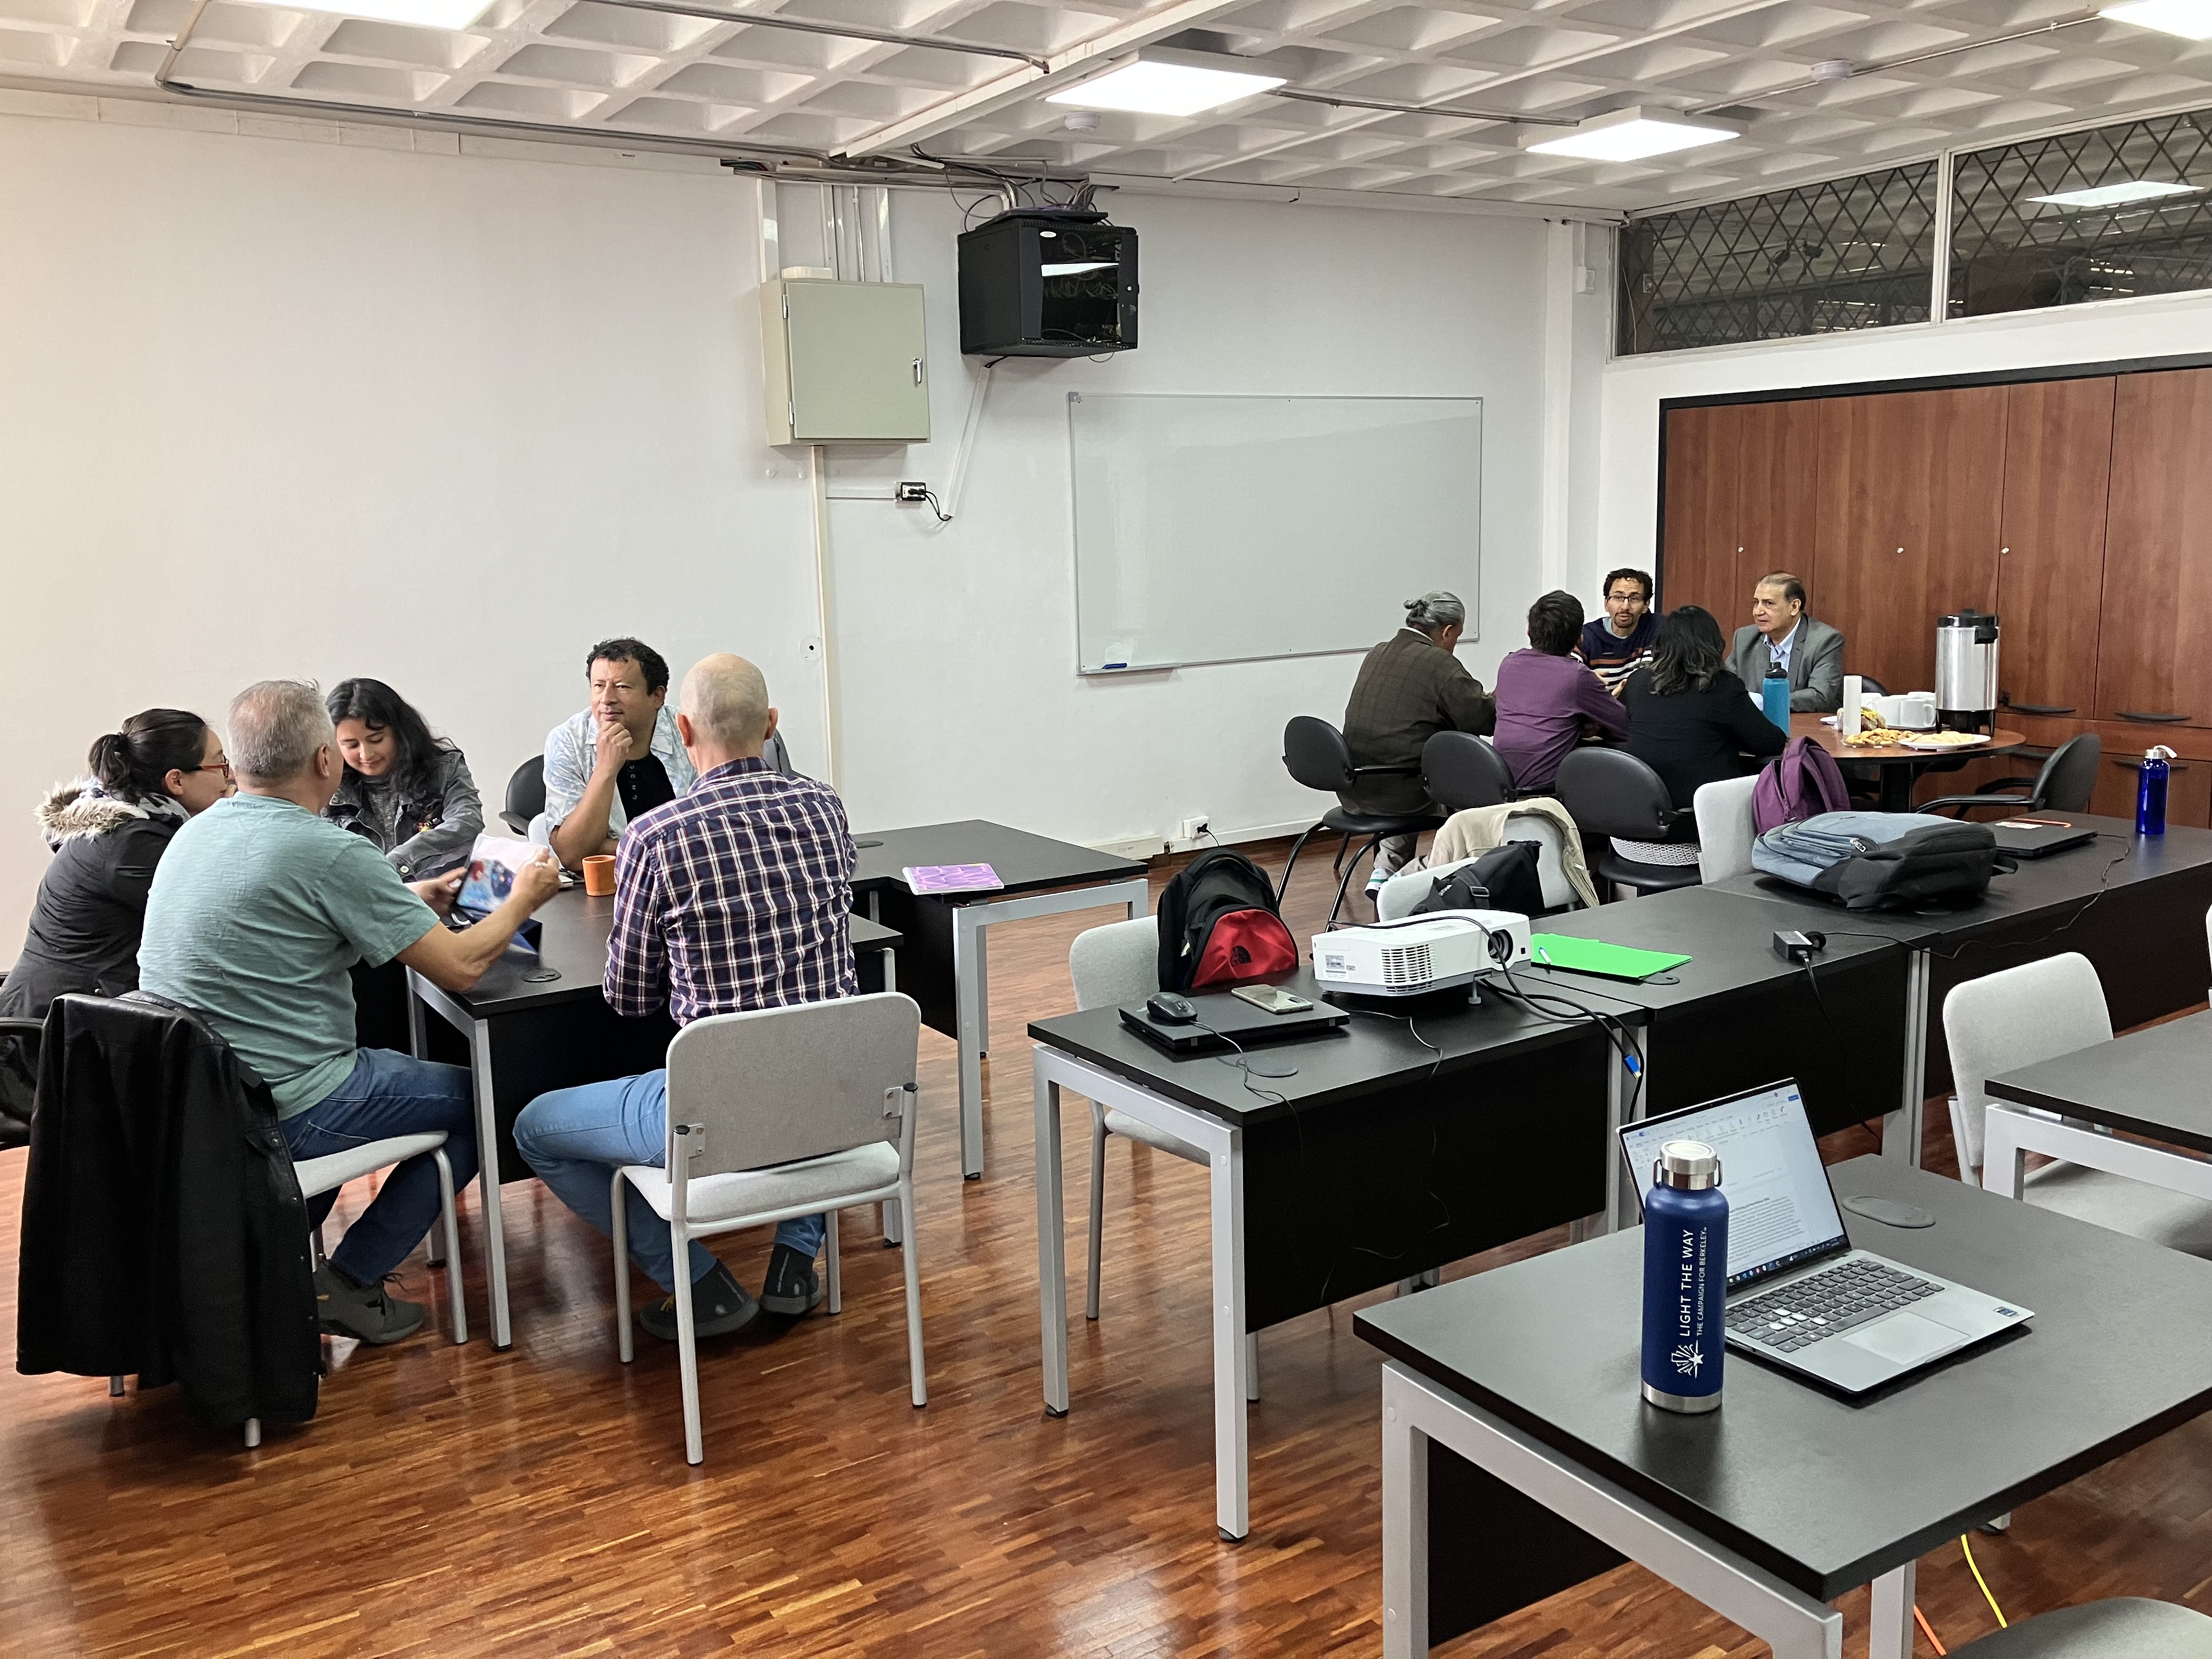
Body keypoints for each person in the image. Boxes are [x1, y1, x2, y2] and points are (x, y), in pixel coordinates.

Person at [138, 680, 560, 1345]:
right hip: (288, 1106)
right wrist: (523, 898)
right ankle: (351, 1279)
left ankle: (271, 1264)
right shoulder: (330, 850)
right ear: (323, 761)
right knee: (490, 1097)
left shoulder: (194, 835)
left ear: (239, 764)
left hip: (200, 1102)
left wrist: (409, 898)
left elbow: (297, 914)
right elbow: (462, 966)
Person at [514, 654, 856, 1344]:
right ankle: (795, 1258)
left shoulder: (655, 836)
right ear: (772, 726)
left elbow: (630, 995)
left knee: (533, 1128)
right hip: (834, 1097)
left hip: (715, 1112)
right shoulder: (826, 807)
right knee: (808, 1049)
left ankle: (697, 1281)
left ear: (684, 727)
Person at [0, 712, 234, 1140]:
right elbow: (221, 919)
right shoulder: (132, 847)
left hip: (68, 1023)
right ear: (176, 781)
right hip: (52, 1048)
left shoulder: (134, 827)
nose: (231, 775)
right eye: (220, 764)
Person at [1341, 591, 1496, 883]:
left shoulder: (1379, 651)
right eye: (1457, 638)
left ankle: (1385, 870)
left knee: (1412, 755)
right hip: (1400, 792)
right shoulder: (1439, 663)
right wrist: (1501, 695)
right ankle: (1420, 875)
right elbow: (1485, 720)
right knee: (1471, 783)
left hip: (1356, 784)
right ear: (1447, 631)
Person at [1624, 605, 1788, 831]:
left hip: (1633, 826)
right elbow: (1770, 743)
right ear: (1713, 645)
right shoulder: (1721, 686)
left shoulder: (1637, 682)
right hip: (1701, 829)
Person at [541, 637, 697, 871]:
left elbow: (713, 832)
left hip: (687, 876)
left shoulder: (690, 730)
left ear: (657, 696)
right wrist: (606, 769)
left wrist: (607, 846)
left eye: (622, 687)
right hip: (603, 887)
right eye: (598, 686)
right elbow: (574, 856)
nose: (606, 699)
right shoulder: (567, 741)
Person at [324, 678, 485, 881]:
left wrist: (399, 862)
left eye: (376, 740)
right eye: (351, 745)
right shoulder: (326, 786)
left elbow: (467, 823)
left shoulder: (444, 769)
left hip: (443, 898)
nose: (366, 754)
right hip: (366, 904)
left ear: (400, 732)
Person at [1491, 590, 1629, 793]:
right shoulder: (1577, 677)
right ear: (1579, 639)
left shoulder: (1509, 664)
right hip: (1543, 792)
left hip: (1501, 786)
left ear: (1530, 632)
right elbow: (1626, 727)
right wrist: (1605, 704)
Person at [1728, 572, 1845, 714]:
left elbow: (1820, 696)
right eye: (1756, 603)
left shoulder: (1824, 640)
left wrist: (1763, 702)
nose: (1758, 612)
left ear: (1794, 607)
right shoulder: (1744, 638)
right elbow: (1725, 686)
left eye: (1768, 603)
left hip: (1807, 729)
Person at [1574, 567, 1661, 696]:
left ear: (1646, 605)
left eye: (1634, 598)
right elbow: (1566, 675)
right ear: (1607, 603)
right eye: (1618, 597)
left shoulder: (1659, 629)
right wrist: (1584, 680)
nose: (1625, 607)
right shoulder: (1587, 636)